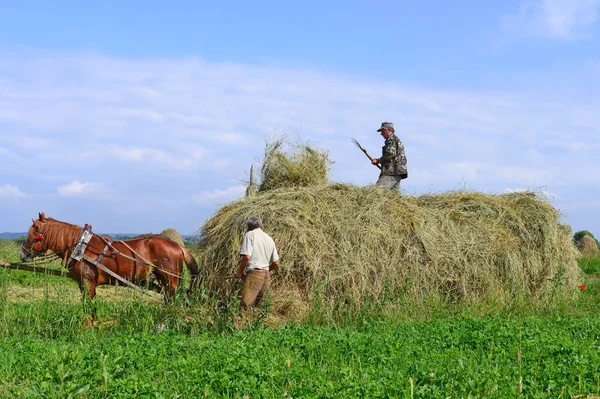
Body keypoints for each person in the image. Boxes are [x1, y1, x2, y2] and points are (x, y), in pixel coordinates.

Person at [235, 216, 279, 311]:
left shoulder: (250, 235)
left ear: (249, 226)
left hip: (255, 274)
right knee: (258, 307)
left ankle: (243, 325)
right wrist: (266, 271)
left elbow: (246, 257)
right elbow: (276, 262)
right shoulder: (269, 238)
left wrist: (239, 272)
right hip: (266, 276)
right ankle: (256, 325)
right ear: (261, 225)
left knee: (245, 306)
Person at [371, 121, 408, 190]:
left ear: (389, 130)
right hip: (397, 172)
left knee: (377, 191)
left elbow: (390, 154)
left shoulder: (391, 139)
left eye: (383, 131)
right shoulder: (396, 140)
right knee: (393, 198)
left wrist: (378, 160)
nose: (381, 134)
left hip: (391, 171)